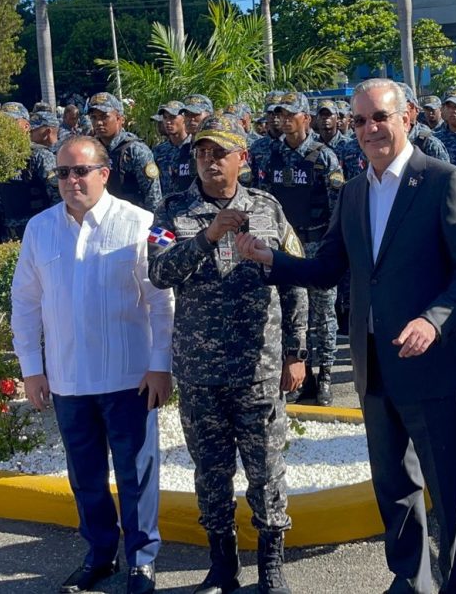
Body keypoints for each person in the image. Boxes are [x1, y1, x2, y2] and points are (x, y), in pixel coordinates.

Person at [237, 78, 456, 594]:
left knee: (447, 488)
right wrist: (273, 261)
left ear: (408, 117)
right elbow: (330, 267)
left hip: (430, 364)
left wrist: (433, 319)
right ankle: (408, 579)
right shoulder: (353, 191)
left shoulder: (443, 180)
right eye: (360, 121)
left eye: (380, 117)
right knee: (394, 485)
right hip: (374, 364)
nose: (370, 129)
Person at [148, 114, 308, 594]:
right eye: (202, 152)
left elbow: (295, 278)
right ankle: (222, 566)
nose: (210, 160)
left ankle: (271, 568)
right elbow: (159, 272)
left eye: (220, 152)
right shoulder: (173, 211)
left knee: (267, 474)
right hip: (201, 373)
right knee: (211, 475)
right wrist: (209, 235)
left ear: (243, 159)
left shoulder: (268, 208)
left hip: (258, 367)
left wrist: (296, 352)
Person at [10, 136, 173, 594]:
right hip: (66, 379)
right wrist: (32, 368)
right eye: (62, 173)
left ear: (105, 173)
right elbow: (24, 302)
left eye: (80, 171)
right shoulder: (39, 229)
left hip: (129, 378)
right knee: (85, 478)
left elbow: (163, 302)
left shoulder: (142, 224)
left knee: (136, 474)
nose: (70, 181)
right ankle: (100, 555)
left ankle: (142, 562)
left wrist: (161, 365)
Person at [252, 91, 343, 406]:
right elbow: (261, 202)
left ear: (307, 118)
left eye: (291, 114)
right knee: (287, 313)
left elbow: (336, 209)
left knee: (322, 315)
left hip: (316, 243)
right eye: (280, 114)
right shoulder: (267, 155)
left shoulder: (323, 157)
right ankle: (299, 375)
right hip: (283, 247)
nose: (284, 120)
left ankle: (326, 376)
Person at [0, 104, 61, 242]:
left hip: (37, 236)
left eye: (11, 122)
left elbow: (56, 197)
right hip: (8, 238)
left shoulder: (39, 155)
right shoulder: (3, 158)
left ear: (26, 126)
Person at [87, 92, 163, 213]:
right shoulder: (91, 149)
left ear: (119, 118)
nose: (98, 123)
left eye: (104, 117)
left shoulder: (135, 150)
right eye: (94, 118)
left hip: (132, 219)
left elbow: (152, 195)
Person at [150, 101, 196, 198]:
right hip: (166, 207)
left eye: (172, 117)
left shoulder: (195, 148)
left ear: (184, 119)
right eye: (165, 118)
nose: (168, 122)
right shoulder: (158, 151)